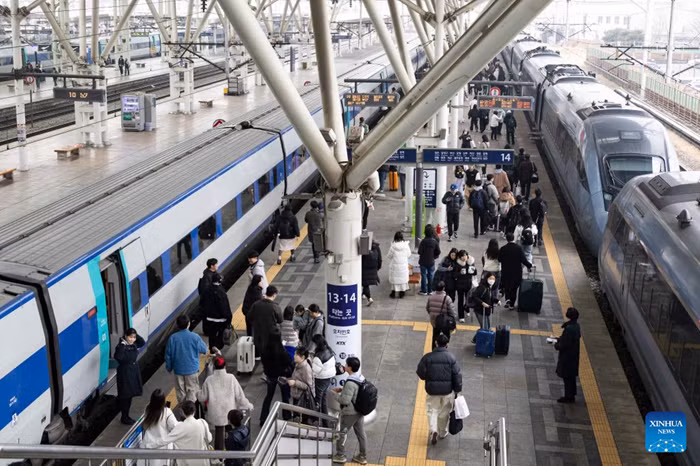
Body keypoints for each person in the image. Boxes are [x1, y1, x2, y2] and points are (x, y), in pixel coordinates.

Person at [416, 334, 462, 446]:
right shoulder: (451, 358)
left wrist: (428, 378)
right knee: (444, 412)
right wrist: (457, 390)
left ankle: (433, 430)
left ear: (436, 343)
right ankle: (442, 432)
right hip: (447, 391)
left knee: (432, 410)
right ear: (447, 345)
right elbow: (457, 375)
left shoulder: (427, 357)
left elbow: (420, 373)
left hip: (432, 390)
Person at [198, 357, 253, 450]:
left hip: (216, 413)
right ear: (225, 366)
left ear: (214, 367)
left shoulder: (209, 380)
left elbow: (202, 397)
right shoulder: (231, 378)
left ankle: (219, 456)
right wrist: (248, 405)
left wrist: (197, 393)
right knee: (231, 432)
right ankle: (230, 452)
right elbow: (239, 396)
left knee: (219, 433)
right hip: (229, 412)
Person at [331, 357, 368, 465]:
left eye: (346, 365)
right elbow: (355, 390)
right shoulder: (360, 377)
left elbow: (345, 400)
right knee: (361, 434)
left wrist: (334, 394)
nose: (344, 366)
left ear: (350, 368)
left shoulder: (350, 382)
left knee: (342, 433)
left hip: (350, 412)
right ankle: (362, 456)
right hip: (359, 410)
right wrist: (343, 389)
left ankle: (340, 455)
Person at [165, 316, 208, 403]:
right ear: (189, 324)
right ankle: (192, 411)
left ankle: (183, 412)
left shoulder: (173, 338)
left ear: (177, 325)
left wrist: (169, 368)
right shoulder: (195, 337)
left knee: (181, 393)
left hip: (178, 370)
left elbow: (168, 355)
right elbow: (204, 350)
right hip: (192, 369)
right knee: (192, 391)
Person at [155, 400, 212, 466]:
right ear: (194, 411)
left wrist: (147, 445)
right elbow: (209, 439)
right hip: (202, 461)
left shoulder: (180, 427)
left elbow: (164, 441)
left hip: (186, 462)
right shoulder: (202, 423)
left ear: (182, 412)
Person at [260, 328, 292, 424]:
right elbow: (288, 361)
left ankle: (263, 418)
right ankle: (286, 416)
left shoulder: (265, 350)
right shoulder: (281, 350)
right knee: (285, 397)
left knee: (269, 396)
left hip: (270, 376)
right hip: (282, 376)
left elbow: (263, 362)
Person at [115, 328, 145, 424]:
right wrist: (123, 344)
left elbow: (142, 342)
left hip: (133, 372)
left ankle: (126, 415)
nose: (132, 339)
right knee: (125, 396)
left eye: (134, 337)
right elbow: (118, 357)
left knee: (130, 395)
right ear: (125, 336)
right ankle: (124, 416)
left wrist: (135, 333)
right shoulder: (121, 346)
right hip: (125, 374)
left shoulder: (134, 345)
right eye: (130, 337)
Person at [141, 389, 178, 462]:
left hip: (148, 443)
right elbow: (175, 427)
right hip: (162, 446)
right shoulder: (167, 412)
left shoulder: (148, 409)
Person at [498, 232, 532, 309]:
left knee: (507, 286)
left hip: (506, 272)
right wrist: (529, 265)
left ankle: (507, 299)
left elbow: (499, 259)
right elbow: (523, 260)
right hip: (517, 272)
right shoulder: (518, 248)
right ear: (513, 238)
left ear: (506, 239)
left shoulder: (503, 249)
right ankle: (512, 304)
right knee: (514, 288)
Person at [554, 308, 581, 403]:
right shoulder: (576, 326)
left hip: (567, 357)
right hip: (573, 355)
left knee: (567, 376)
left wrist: (557, 344)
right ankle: (572, 394)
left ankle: (568, 397)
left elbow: (565, 344)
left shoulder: (569, 329)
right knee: (571, 376)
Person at [248, 286, 282, 359]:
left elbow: (249, 317)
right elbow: (280, 320)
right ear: (274, 295)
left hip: (258, 334)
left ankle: (258, 356)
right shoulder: (275, 306)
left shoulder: (256, 304)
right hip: (271, 335)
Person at [203, 274, 232, 352]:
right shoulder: (221, 292)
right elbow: (224, 307)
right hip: (220, 319)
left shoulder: (207, 290)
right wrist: (229, 318)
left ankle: (212, 349)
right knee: (220, 334)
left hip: (209, 318)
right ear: (220, 281)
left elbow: (202, 303)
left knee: (211, 335)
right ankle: (217, 347)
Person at [286, 347, 315, 422]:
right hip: (297, 394)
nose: (294, 356)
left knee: (302, 418)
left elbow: (308, 386)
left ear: (303, 357)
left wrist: (295, 383)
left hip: (302, 398)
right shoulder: (298, 364)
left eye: (296, 354)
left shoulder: (306, 369)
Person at [311, 335, 335, 423]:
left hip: (320, 379)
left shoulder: (318, 356)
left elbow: (314, 371)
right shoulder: (329, 349)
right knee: (324, 399)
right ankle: (326, 422)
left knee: (317, 400)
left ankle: (316, 420)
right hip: (328, 378)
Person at [426, 281, 457, 348]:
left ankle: (434, 349)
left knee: (435, 335)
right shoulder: (447, 298)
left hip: (434, 320)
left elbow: (428, 308)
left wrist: (432, 315)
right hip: (444, 321)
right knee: (445, 336)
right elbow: (452, 311)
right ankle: (443, 349)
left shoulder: (431, 297)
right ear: (443, 288)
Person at [471, 273, 499, 339]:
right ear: (487, 279)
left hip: (487, 310)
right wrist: (482, 303)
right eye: (490, 278)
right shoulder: (482, 287)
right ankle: (477, 339)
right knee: (484, 327)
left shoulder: (489, 287)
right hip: (480, 310)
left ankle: (476, 339)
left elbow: (490, 297)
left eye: (493, 279)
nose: (492, 280)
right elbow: (474, 296)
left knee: (485, 327)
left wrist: (497, 300)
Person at [452, 250, 477, 323]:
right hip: (460, 285)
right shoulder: (457, 264)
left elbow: (474, 272)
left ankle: (466, 307)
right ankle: (461, 316)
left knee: (468, 299)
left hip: (468, 284)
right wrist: (460, 273)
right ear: (459, 257)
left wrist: (473, 270)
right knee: (460, 300)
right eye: (462, 256)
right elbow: (454, 275)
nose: (464, 257)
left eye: (465, 255)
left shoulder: (470, 263)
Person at [387, 231, 412, 299]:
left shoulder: (393, 246)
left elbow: (389, 256)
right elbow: (409, 254)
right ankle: (402, 293)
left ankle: (393, 293)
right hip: (403, 265)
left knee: (395, 279)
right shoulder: (406, 246)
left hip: (395, 265)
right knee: (402, 279)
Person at [418, 224, 441, 296]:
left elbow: (419, 252)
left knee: (424, 275)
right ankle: (430, 290)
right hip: (431, 261)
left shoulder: (423, 242)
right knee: (431, 275)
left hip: (423, 261)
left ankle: (424, 290)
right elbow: (438, 251)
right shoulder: (434, 242)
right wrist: (434, 256)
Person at [361, 240, 382, 306]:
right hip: (373, 269)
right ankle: (363, 294)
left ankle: (369, 298)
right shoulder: (377, 248)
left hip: (364, 269)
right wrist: (377, 268)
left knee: (365, 284)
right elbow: (380, 259)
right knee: (366, 284)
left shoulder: (364, 249)